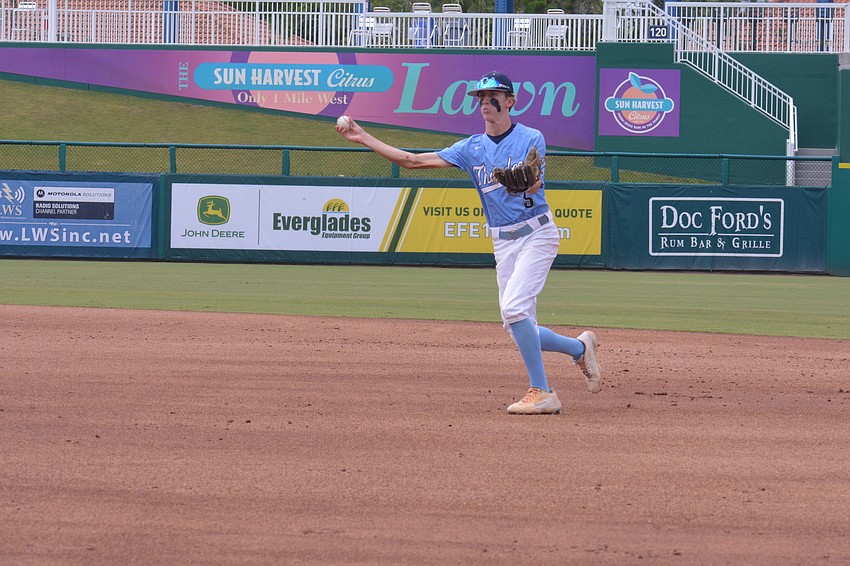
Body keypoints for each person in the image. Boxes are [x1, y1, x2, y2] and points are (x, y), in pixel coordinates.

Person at [336, 70, 602, 415]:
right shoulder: (470, 148)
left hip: (537, 233)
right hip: (503, 242)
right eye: (480, 97)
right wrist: (363, 137)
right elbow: (412, 161)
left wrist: (527, 184)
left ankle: (543, 392)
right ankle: (579, 349)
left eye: (493, 96)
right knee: (518, 326)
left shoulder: (530, 137)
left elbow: (536, 185)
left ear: (510, 101)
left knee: (514, 310)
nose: (485, 102)